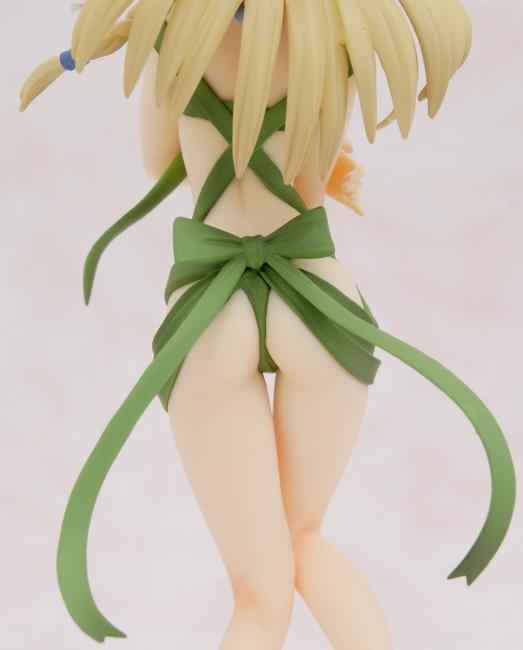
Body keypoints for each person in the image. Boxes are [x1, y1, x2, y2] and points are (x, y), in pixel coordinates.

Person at [19, 2, 515, 648]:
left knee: (260, 595)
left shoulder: (170, 35)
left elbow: (156, 160)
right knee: (303, 540)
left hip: (210, 309)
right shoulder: (331, 38)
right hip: (315, 300)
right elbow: (307, 181)